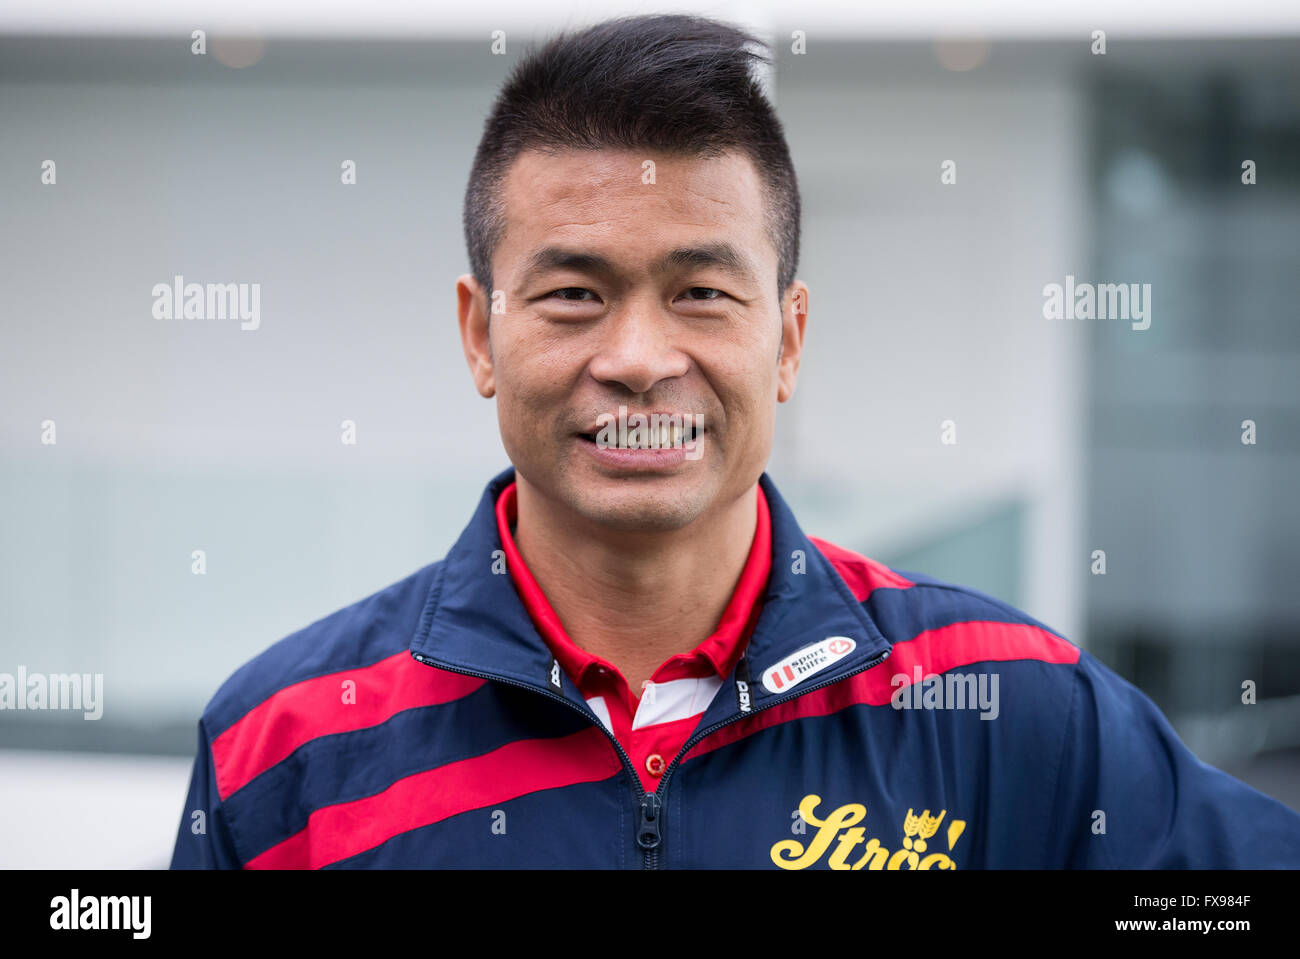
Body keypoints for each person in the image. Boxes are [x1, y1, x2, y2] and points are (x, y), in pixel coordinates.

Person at [170, 13, 1300, 869]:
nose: (639, 355)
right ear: (481, 332)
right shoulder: (286, 746)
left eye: (702, 291)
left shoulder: (1012, 706)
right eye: (572, 293)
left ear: (788, 337)